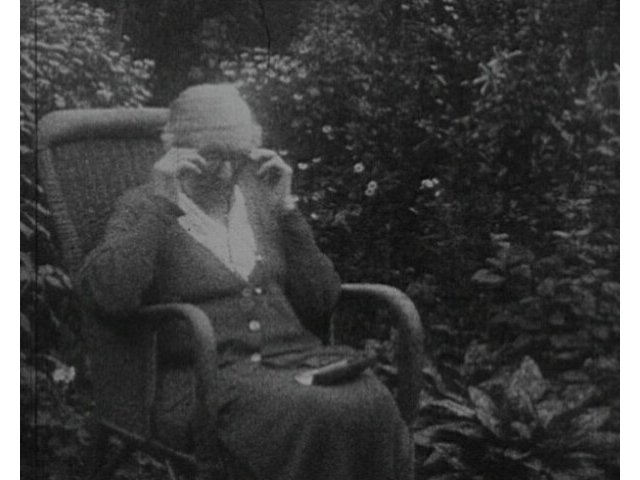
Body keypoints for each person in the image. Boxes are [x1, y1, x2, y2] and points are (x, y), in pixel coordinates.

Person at [79, 84, 413, 480]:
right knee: (315, 411)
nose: (225, 172)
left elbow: (323, 300)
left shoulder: (262, 203)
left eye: (237, 157)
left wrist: (287, 211)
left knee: (371, 401)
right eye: (211, 157)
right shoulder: (144, 205)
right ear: (177, 150)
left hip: (295, 366)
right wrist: (161, 204)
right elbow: (109, 296)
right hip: (204, 380)